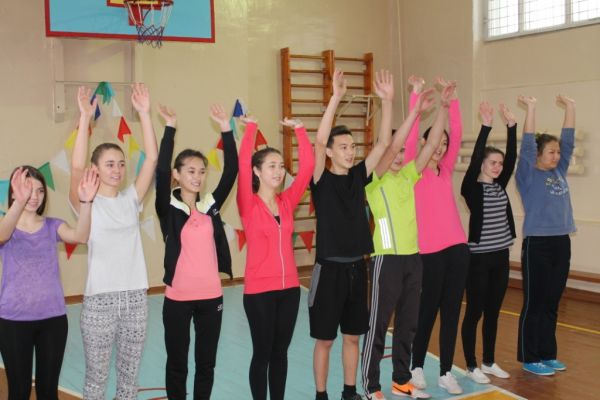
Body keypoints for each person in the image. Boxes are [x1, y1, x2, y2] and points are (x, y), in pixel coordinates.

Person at [361, 83, 454, 400]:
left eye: (403, 151)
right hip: (386, 259)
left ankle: (402, 380)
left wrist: (443, 107)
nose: (399, 156)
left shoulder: (409, 175)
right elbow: (387, 149)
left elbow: (431, 145)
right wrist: (413, 112)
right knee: (378, 326)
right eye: (395, 151)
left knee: (407, 324)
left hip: (413, 258)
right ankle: (371, 385)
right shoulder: (374, 180)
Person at [69, 84, 158, 399]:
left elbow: (151, 159)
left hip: (135, 299)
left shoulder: (131, 199)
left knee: (129, 380)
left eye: (121, 164)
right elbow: (76, 167)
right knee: (96, 380)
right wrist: (84, 119)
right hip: (99, 302)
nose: (118, 169)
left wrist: (144, 114)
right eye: (110, 164)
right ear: (95, 169)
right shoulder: (86, 201)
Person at [309, 69, 393, 400]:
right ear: (330, 152)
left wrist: (387, 102)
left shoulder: (359, 176)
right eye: (343, 146)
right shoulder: (321, 180)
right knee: (325, 340)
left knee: (353, 336)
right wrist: (336, 97)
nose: (350, 151)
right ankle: (321, 395)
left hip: (358, 268)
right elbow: (318, 141)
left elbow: (384, 144)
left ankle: (348, 392)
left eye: (353, 146)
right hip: (329, 270)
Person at [155, 104, 237, 399]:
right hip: (177, 299)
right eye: (190, 171)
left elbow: (232, 171)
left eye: (202, 171)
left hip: (211, 297)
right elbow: (160, 170)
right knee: (177, 364)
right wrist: (170, 128)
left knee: (206, 364)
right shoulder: (168, 207)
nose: (197, 176)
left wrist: (226, 128)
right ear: (177, 175)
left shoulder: (209, 205)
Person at [0, 166, 98, 400]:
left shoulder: (52, 225)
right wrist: (18, 203)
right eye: (28, 189)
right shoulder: (7, 227)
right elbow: (2, 235)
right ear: (14, 192)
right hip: (14, 321)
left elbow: (81, 236)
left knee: (48, 391)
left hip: (53, 320)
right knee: (19, 391)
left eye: (40, 191)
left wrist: (86, 203)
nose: (34, 196)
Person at [236, 114, 315, 400]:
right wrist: (251, 129)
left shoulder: (287, 202)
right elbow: (242, 164)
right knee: (263, 353)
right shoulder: (248, 203)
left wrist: (300, 131)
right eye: (272, 166)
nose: (279, 171)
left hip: (289, 289)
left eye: (281, 166)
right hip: (259, 292)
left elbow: (307, 169)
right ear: (256, 171)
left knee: (280, 353)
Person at [404, 77, 469, 395]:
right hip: (429, 252)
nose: (441, 147)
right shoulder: (413, 169)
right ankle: (417, 366)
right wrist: (416, 99)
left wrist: (450, 101)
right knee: (427, 311)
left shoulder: (446, 169)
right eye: (435, 141)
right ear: (424, 142)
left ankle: (446, 371)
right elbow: (410, 138)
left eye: (444, 143)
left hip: (457, 248)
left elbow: (456, 132)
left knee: (452, 312)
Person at [515, 94, 576, 376]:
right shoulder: (527, 175)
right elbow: (527, 145)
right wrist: (531, 108)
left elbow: (569, 140)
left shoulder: (560, 170)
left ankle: (547, 353)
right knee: (535, 303)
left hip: (561, 241)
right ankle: (530, 357)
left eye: (558, 152)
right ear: (538, 154)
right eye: (551, 152)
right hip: (537, 244)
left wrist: (571, 108)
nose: (557, 156)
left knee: (552, 302)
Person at [460, 101, 517, 384]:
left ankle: (489, 361)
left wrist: (512, 127)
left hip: (501, 257)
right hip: (479, 260)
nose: (498, 167)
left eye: (500, 164)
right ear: (482, 164)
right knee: (475, 312)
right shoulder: (472, 188)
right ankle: (471, 365)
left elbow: (513, 158)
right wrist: (485, 126)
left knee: (493, 312)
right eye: (493, 163)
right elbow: (473, 161)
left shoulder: (499, 185)